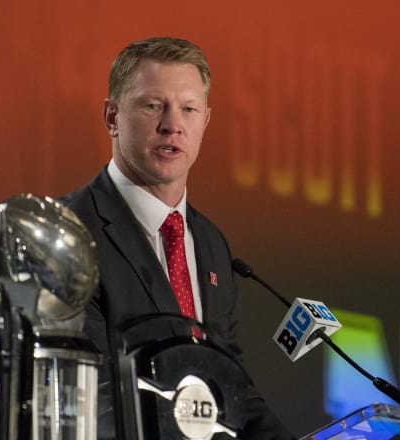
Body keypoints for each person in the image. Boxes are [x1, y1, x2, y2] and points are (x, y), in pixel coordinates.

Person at [62, 37, 295, 439]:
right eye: (153, 106)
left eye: (188, 109)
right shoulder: (70, 233)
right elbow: (86, 395)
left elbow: (230, 385)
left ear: (205, 121)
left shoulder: (210, 243)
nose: (173, 124)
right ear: (112, 117)